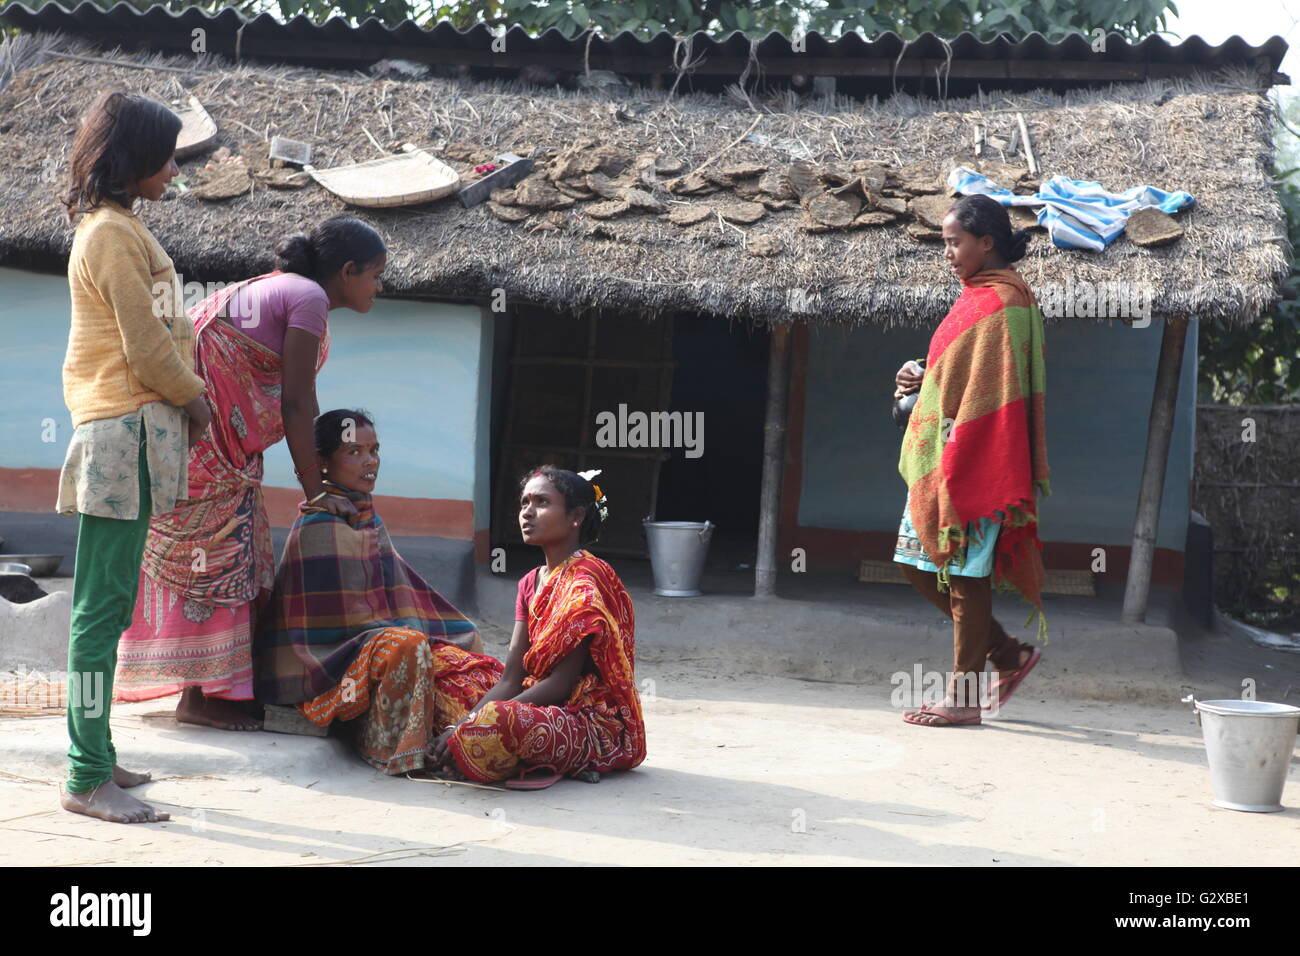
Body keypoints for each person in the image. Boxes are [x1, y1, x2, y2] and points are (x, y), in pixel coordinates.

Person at [113, 217, 387, 732]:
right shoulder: (307, 298)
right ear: (347, 270)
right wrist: (318, 491)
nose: (379, 286)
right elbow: (298, 402)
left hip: (199, 445)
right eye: (374, 274)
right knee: (217, 558)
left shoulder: (269, 287)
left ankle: (219, 689)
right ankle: (200, 697)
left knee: (233, 552)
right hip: (207, 450)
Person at [56, 91, 211, 823]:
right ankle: (86, 775)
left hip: (130, 434)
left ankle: (98, 752)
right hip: (123, 432)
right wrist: (198, 399)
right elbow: (147, 346)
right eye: (168, 154)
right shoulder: (112, 235)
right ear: (135, 158)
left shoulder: (118, 228)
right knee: (98, 614)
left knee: (109, 611)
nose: (175, 168)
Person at [253, 410, 492, 775]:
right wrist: (402, 636)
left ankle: (472, 740)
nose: (371, 462)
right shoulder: (318, 526)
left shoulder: (366, 518)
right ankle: (393, 749)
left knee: (465, 642)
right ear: (323, 463)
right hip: (326, 668)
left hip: (371, 645)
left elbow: (400, 594)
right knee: (407, 645)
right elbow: (338, 628)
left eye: (374, 450)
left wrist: (448, 634)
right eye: (355, 452)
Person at [893, 193, 1050, 728]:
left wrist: (941, 396)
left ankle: (962, 697)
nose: (948, 252)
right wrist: (919, 374)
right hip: (946, 451)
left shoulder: (1006, 302)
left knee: (964, 575)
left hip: (982, 454)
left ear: (986, 242)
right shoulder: (978, 296)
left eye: (954, 242)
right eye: (944, 242)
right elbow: (956, 369)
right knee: (920, 563)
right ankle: (1008, 654)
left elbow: (994, 383)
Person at [428, 466, 646, 789]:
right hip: (537, 703)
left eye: (542, 502)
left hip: (584, 719)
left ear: (576, 516)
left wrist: (469, 725)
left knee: (496, 720)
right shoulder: (530, 582)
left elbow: (560, 685)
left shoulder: (585, 582)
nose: (527, 512)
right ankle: (477, 751)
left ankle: (485, 752)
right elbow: (511, 677)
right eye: (524, 502)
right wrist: (460, 725)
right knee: (442, 668)